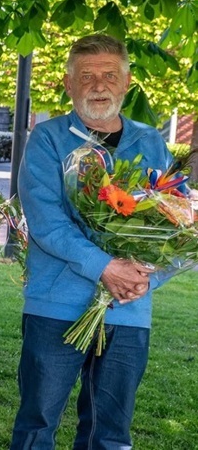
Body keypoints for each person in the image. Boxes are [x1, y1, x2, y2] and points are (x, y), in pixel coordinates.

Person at [10, 34, 169, 450]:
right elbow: (46, 223)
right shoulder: (47, 139)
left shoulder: (152, 143)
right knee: (37, 425)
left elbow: (174, 225)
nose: (98, 85)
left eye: (109, 75)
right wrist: (105, 267)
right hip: (56, 306)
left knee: (110, 433)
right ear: (68, 84)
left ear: (127, 81)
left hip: (129, 310)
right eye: (87, 76)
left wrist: (149, 280)